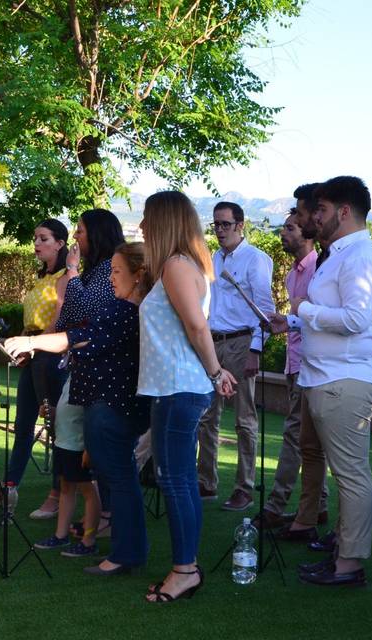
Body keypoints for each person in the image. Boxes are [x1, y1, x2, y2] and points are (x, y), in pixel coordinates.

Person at [269, 176, 372, 587]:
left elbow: (357, 319)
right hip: (329, 378)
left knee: (351, 476)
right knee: (344, 472)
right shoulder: (341, 254)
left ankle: (349, 564)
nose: (313, 218)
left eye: (320, 211)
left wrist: (304, 309)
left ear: (342, 211)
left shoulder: (359, 256)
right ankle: (341, 552)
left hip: (346, 379)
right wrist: (293, 318)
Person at [6, 242, 150, 574]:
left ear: (138, 275)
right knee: (119, 481)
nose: (110, 279)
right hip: (107, 406)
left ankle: (125, 553)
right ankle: (127, 550)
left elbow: (75, 337)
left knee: (120, 483)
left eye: (116, 272)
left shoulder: (126, 311)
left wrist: (31, 341)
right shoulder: (127, 310)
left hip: (112, 407)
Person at [137, 191, 236, 603]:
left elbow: (197, 328)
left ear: (164, 222)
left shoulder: (177, 266)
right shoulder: (179, 266)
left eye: (146, 218)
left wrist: (216, 372)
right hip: (174, 387)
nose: (142, 225)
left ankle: (185, 571)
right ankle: (185, 567)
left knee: (175, 482)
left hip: (180, 388)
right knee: (178, 482)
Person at [26, 209, 124, 523]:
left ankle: (107, 515)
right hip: (83, 361)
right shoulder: (95, 271)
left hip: (102, 368)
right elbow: (70, 314)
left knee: (97, 443)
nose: (76, 237)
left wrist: (70, 270)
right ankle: (95, 514)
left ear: (96, 234)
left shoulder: (109, 268)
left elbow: (81, 307)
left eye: (80, 230)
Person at [0, 220, 69, 510]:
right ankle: (9, 489)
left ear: (60, 243)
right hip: (32, 354)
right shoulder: (41, 277)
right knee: (23, 426)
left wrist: (32, 347)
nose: (37, 244)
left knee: (55, 427)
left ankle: (57, 496)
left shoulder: (66, 276)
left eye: (44, 238)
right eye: (35, 238)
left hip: (51, 355)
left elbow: (57, 321)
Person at [196, 201, 274, 512]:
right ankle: (206, 482)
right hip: (214, 342)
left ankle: (244, 488)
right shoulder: (212, 258)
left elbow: (265, 312)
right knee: (206, 417)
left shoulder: (256, 259)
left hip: (243, 342)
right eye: (215, 224)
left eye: (225, 224)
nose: (219, 230)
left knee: (244, 421)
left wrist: (256, 348)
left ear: (241, 225)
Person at [257, 209, 328, 531]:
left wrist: (290, 324)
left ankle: (275, 505)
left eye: (289, 228)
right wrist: (282, 324)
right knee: (307, 440)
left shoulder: (319, 270)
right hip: (294, 362)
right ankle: (319, 508)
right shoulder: (292, 273)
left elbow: (319, 319)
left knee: (295, 436)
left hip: (310, 365)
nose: (282, 233)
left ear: (307, 232)